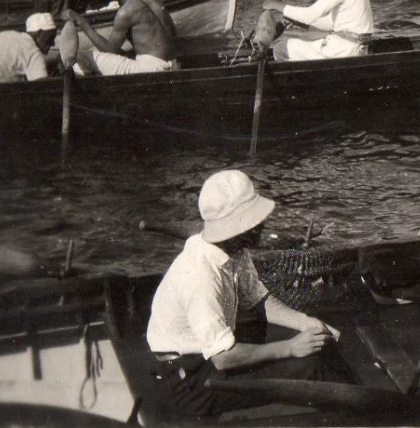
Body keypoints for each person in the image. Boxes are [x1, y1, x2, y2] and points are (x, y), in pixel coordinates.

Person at [146, 170, 341, 419]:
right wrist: (289, 348)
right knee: (308, 367)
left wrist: (307, 322)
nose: (263, 225)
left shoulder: (233, 249)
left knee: (314, 343)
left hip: (206, 355)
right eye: (256, 220)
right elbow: (223, 359)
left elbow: (258, 299)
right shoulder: (199, 277)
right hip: (189, 381)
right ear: (238, 226)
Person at [67, 0, 177, 76]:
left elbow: (110, 50)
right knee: (98, 50)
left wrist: (81, 22)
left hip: (151, 69)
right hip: (171, 64)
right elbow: (172, 31)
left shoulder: (127, 10)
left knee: (82, 56)